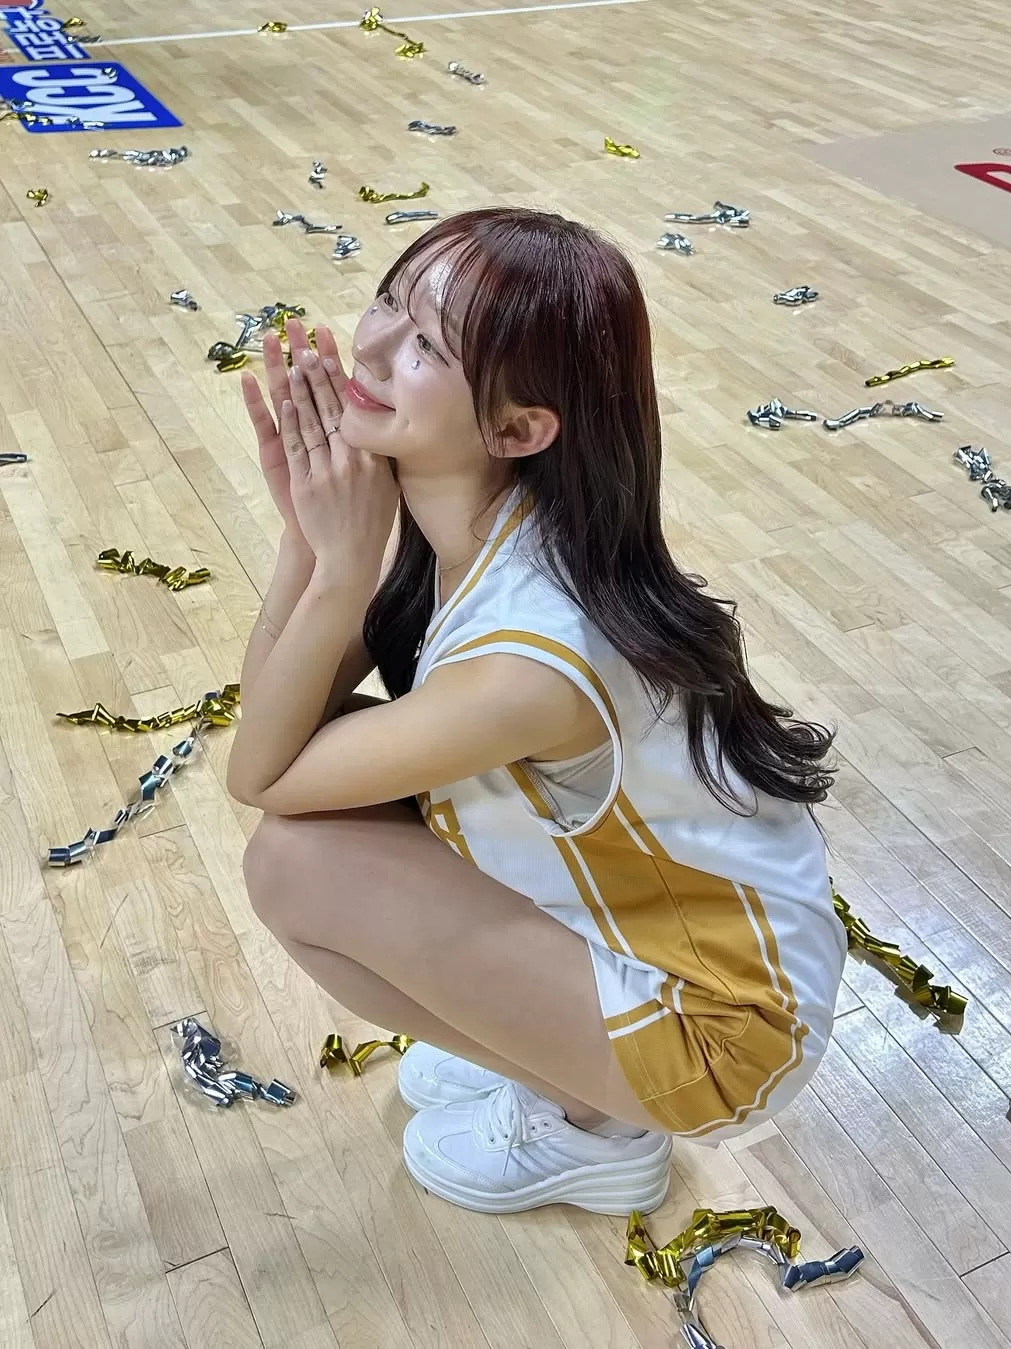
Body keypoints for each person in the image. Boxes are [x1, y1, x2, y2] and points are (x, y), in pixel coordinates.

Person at [229, 207, 847, 1217]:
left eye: (426, 346)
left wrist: (338, 567)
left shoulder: (530, 656)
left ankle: (596, 1121)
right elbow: (281, 730)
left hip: (725, 1031)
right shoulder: (469, 519)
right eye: (388, 301)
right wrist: (308, 540)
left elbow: (259, 774)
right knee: (318, 816)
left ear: (517, 430)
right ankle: (561, 1050)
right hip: (659, 932)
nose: (371, 347)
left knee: (294, 860)